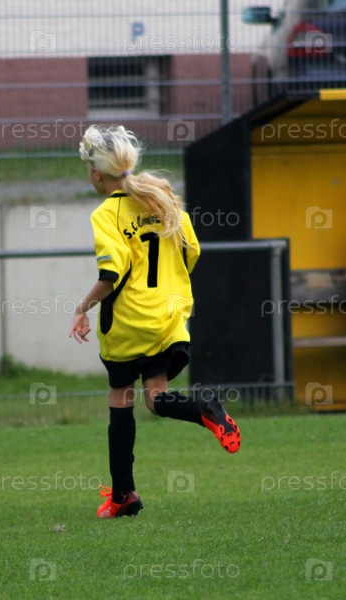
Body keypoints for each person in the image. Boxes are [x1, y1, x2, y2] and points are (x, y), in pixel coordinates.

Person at [69, 124, 241, 519]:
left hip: (128, 323)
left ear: (96, 173)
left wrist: (82, 308)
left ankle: (123, 496)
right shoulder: (162, 199)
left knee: (121, 397)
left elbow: (111, 273)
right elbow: (192, 251)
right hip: (169, 318)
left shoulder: (106, 213)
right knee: (156, 398)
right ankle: (205, 407)